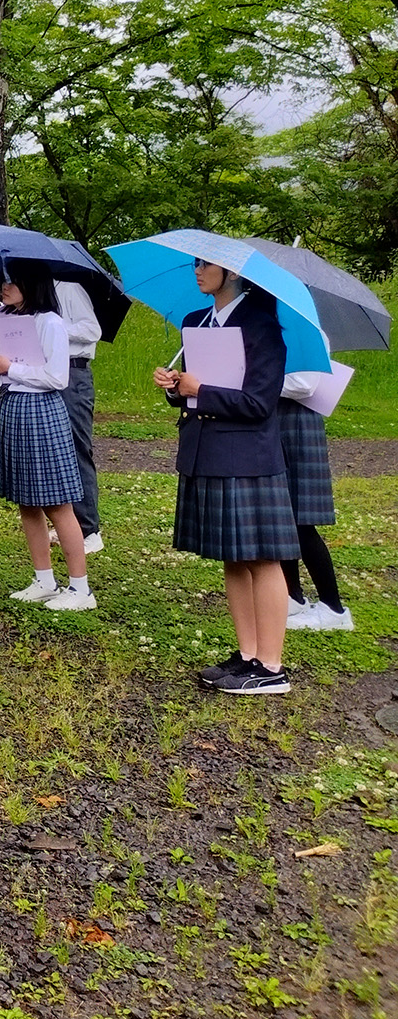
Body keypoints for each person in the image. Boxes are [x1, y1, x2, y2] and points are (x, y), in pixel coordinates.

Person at [156, 261, 298, 695]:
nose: (197, 271)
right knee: (233, 556)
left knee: (262, 556)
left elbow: (259, 402)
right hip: (207, 447)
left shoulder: (261, 326)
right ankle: (249, 654)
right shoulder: (195, 322)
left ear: (232, 274)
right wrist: (174, 386)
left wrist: (200, 390)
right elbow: (192, 392)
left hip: (248, 453)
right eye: (195, 263)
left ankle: (272, 667)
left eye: (206, 265)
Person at [0, 262, 95, 611]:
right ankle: (44, 579)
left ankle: (80, 588)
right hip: (12, 406)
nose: (3, 287)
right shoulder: (5, 321)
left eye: (11, 282)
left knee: (57, 502)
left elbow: (57, 378)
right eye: (1, 281)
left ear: (32, 283)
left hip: (42, 410)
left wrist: (13, 368)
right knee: (27, 500)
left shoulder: (50, 322)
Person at [282, 334, 352, 632]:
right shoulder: (278, 327)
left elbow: (305, 384)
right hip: (277, 422)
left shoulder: (308, 330)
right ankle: (293, 596)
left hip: (299, 424)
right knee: (281, 515)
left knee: (301, 521)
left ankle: (333, 608)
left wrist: (255, 379)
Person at [52, 277, 106, 555]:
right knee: (56, 450)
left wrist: (54, 327)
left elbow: (91, 330)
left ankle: (89, 529)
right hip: (50, 373)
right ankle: (68, 521)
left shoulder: (69, 288)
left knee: (76, 448)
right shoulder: (37, 294)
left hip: (74, 373)